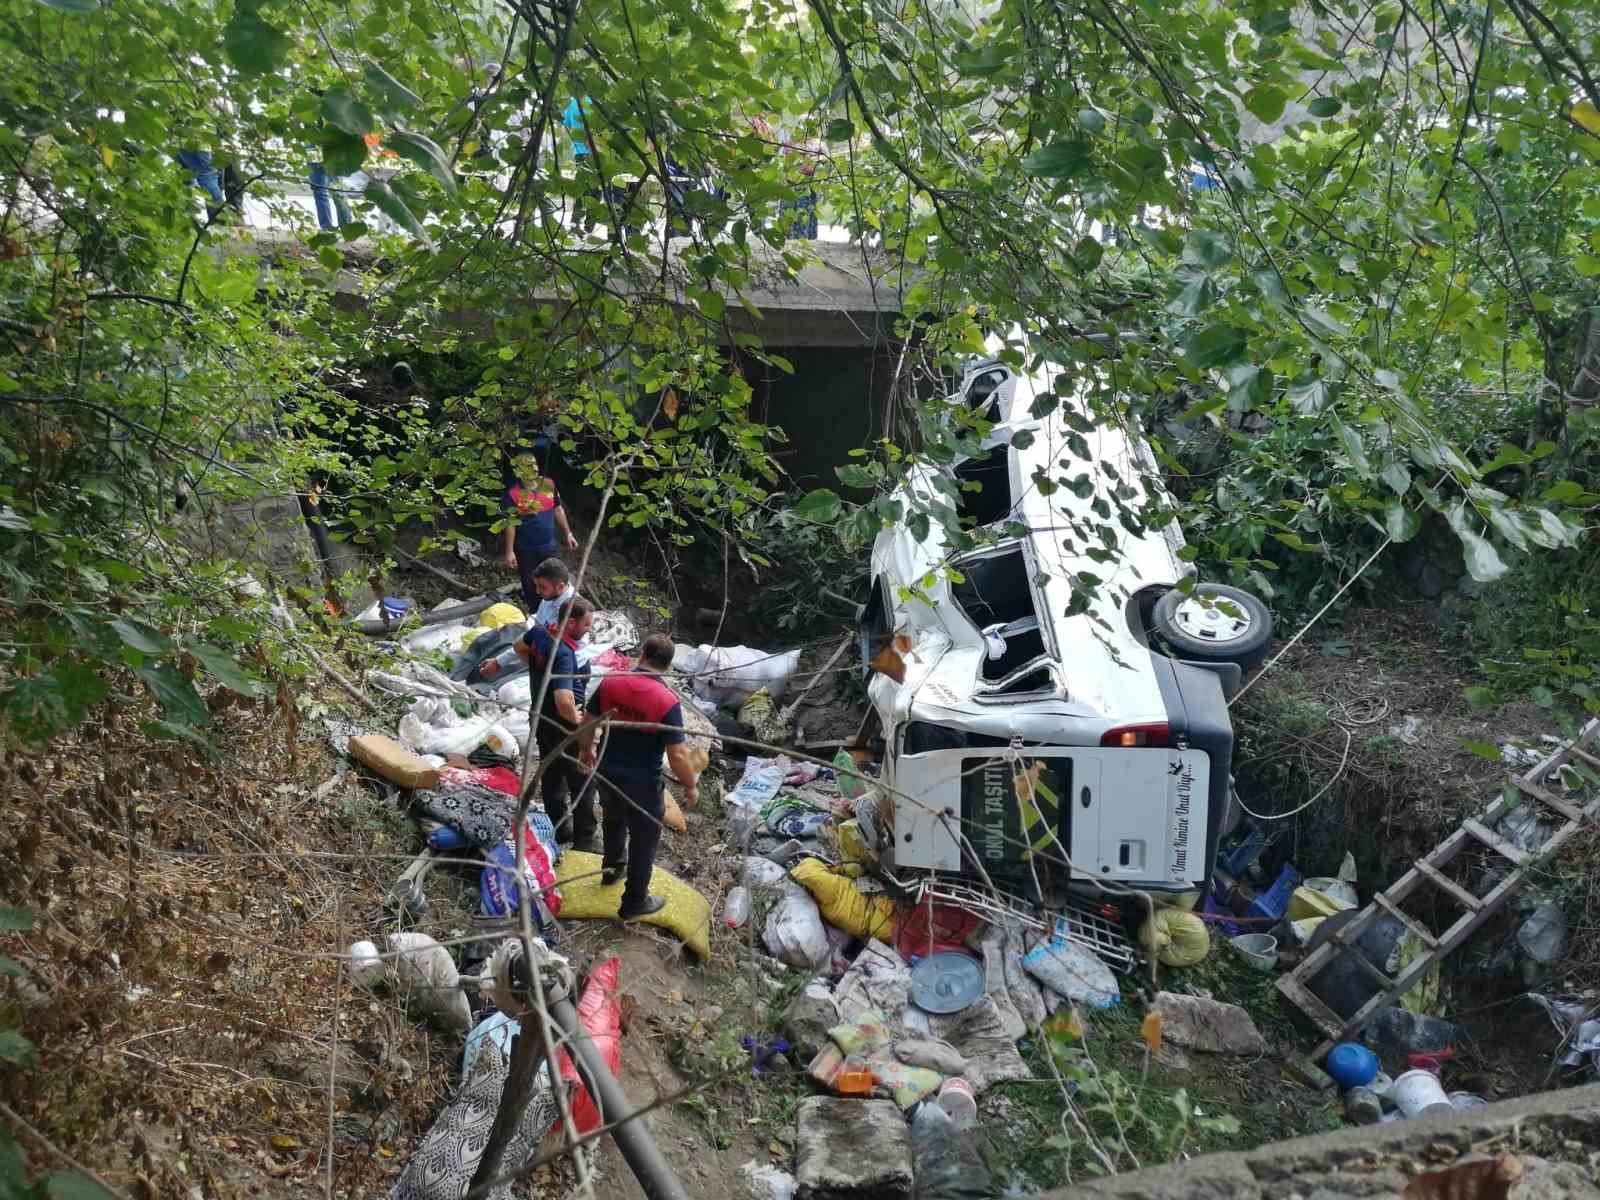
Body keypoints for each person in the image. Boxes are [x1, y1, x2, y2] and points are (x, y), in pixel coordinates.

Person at [578, 633, 700, 920]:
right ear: (668, 666)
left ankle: (612, 871)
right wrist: (691, 785)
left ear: (642, 654)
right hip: (643, 783)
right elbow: (678, 756)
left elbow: (588, 722)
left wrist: (586, 750)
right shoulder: (667, 701)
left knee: (613, 819)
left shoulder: (612, 681)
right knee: (644, 841)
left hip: (607, 772)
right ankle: (634, 901)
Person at [479, 596, 596, 845]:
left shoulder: (541, 633)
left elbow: (519, 645)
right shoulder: (563, 653)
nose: (589, 630)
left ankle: (558, 829)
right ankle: (585, 840)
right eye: (586, 625)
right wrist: (577, 717)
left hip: (540, 718)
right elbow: (564, 699)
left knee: (551, 773)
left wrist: (537, 670)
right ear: (572, 623)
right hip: (564, 727)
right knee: (582, 780)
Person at [502, 456, 578, 612]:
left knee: (557, 578)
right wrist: (509, 551)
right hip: (526, 549)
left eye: (535, 464)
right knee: (531, 586)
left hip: (549, 546)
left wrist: (568, 533)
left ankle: (561, 611)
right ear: (519, 471)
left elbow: (558, 509)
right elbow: (510, 524)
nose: (534, 468)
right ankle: (537, 615)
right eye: (528, 465)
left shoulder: (548, 485)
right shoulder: (514, 494)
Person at [531, 558, 574, 631]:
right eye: (536, 585)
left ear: (560, 587)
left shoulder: (572, 610)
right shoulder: (550, 596)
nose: (537, 591)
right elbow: (537, 623)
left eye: (542, 587)